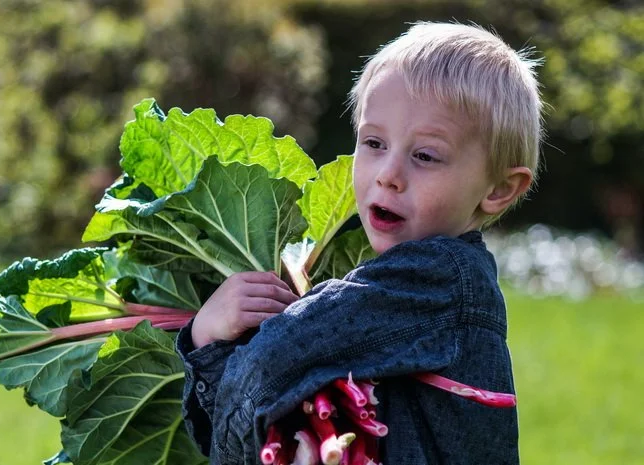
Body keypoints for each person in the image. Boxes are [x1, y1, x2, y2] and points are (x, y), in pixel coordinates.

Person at [176, 21, 543, 464]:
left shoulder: (442, 277)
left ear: (499, 189)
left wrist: (210, 343)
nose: (388, 173)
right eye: (373, 142)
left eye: (425, 156)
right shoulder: (406, 289)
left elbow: (269, 365)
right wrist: (209, 344)